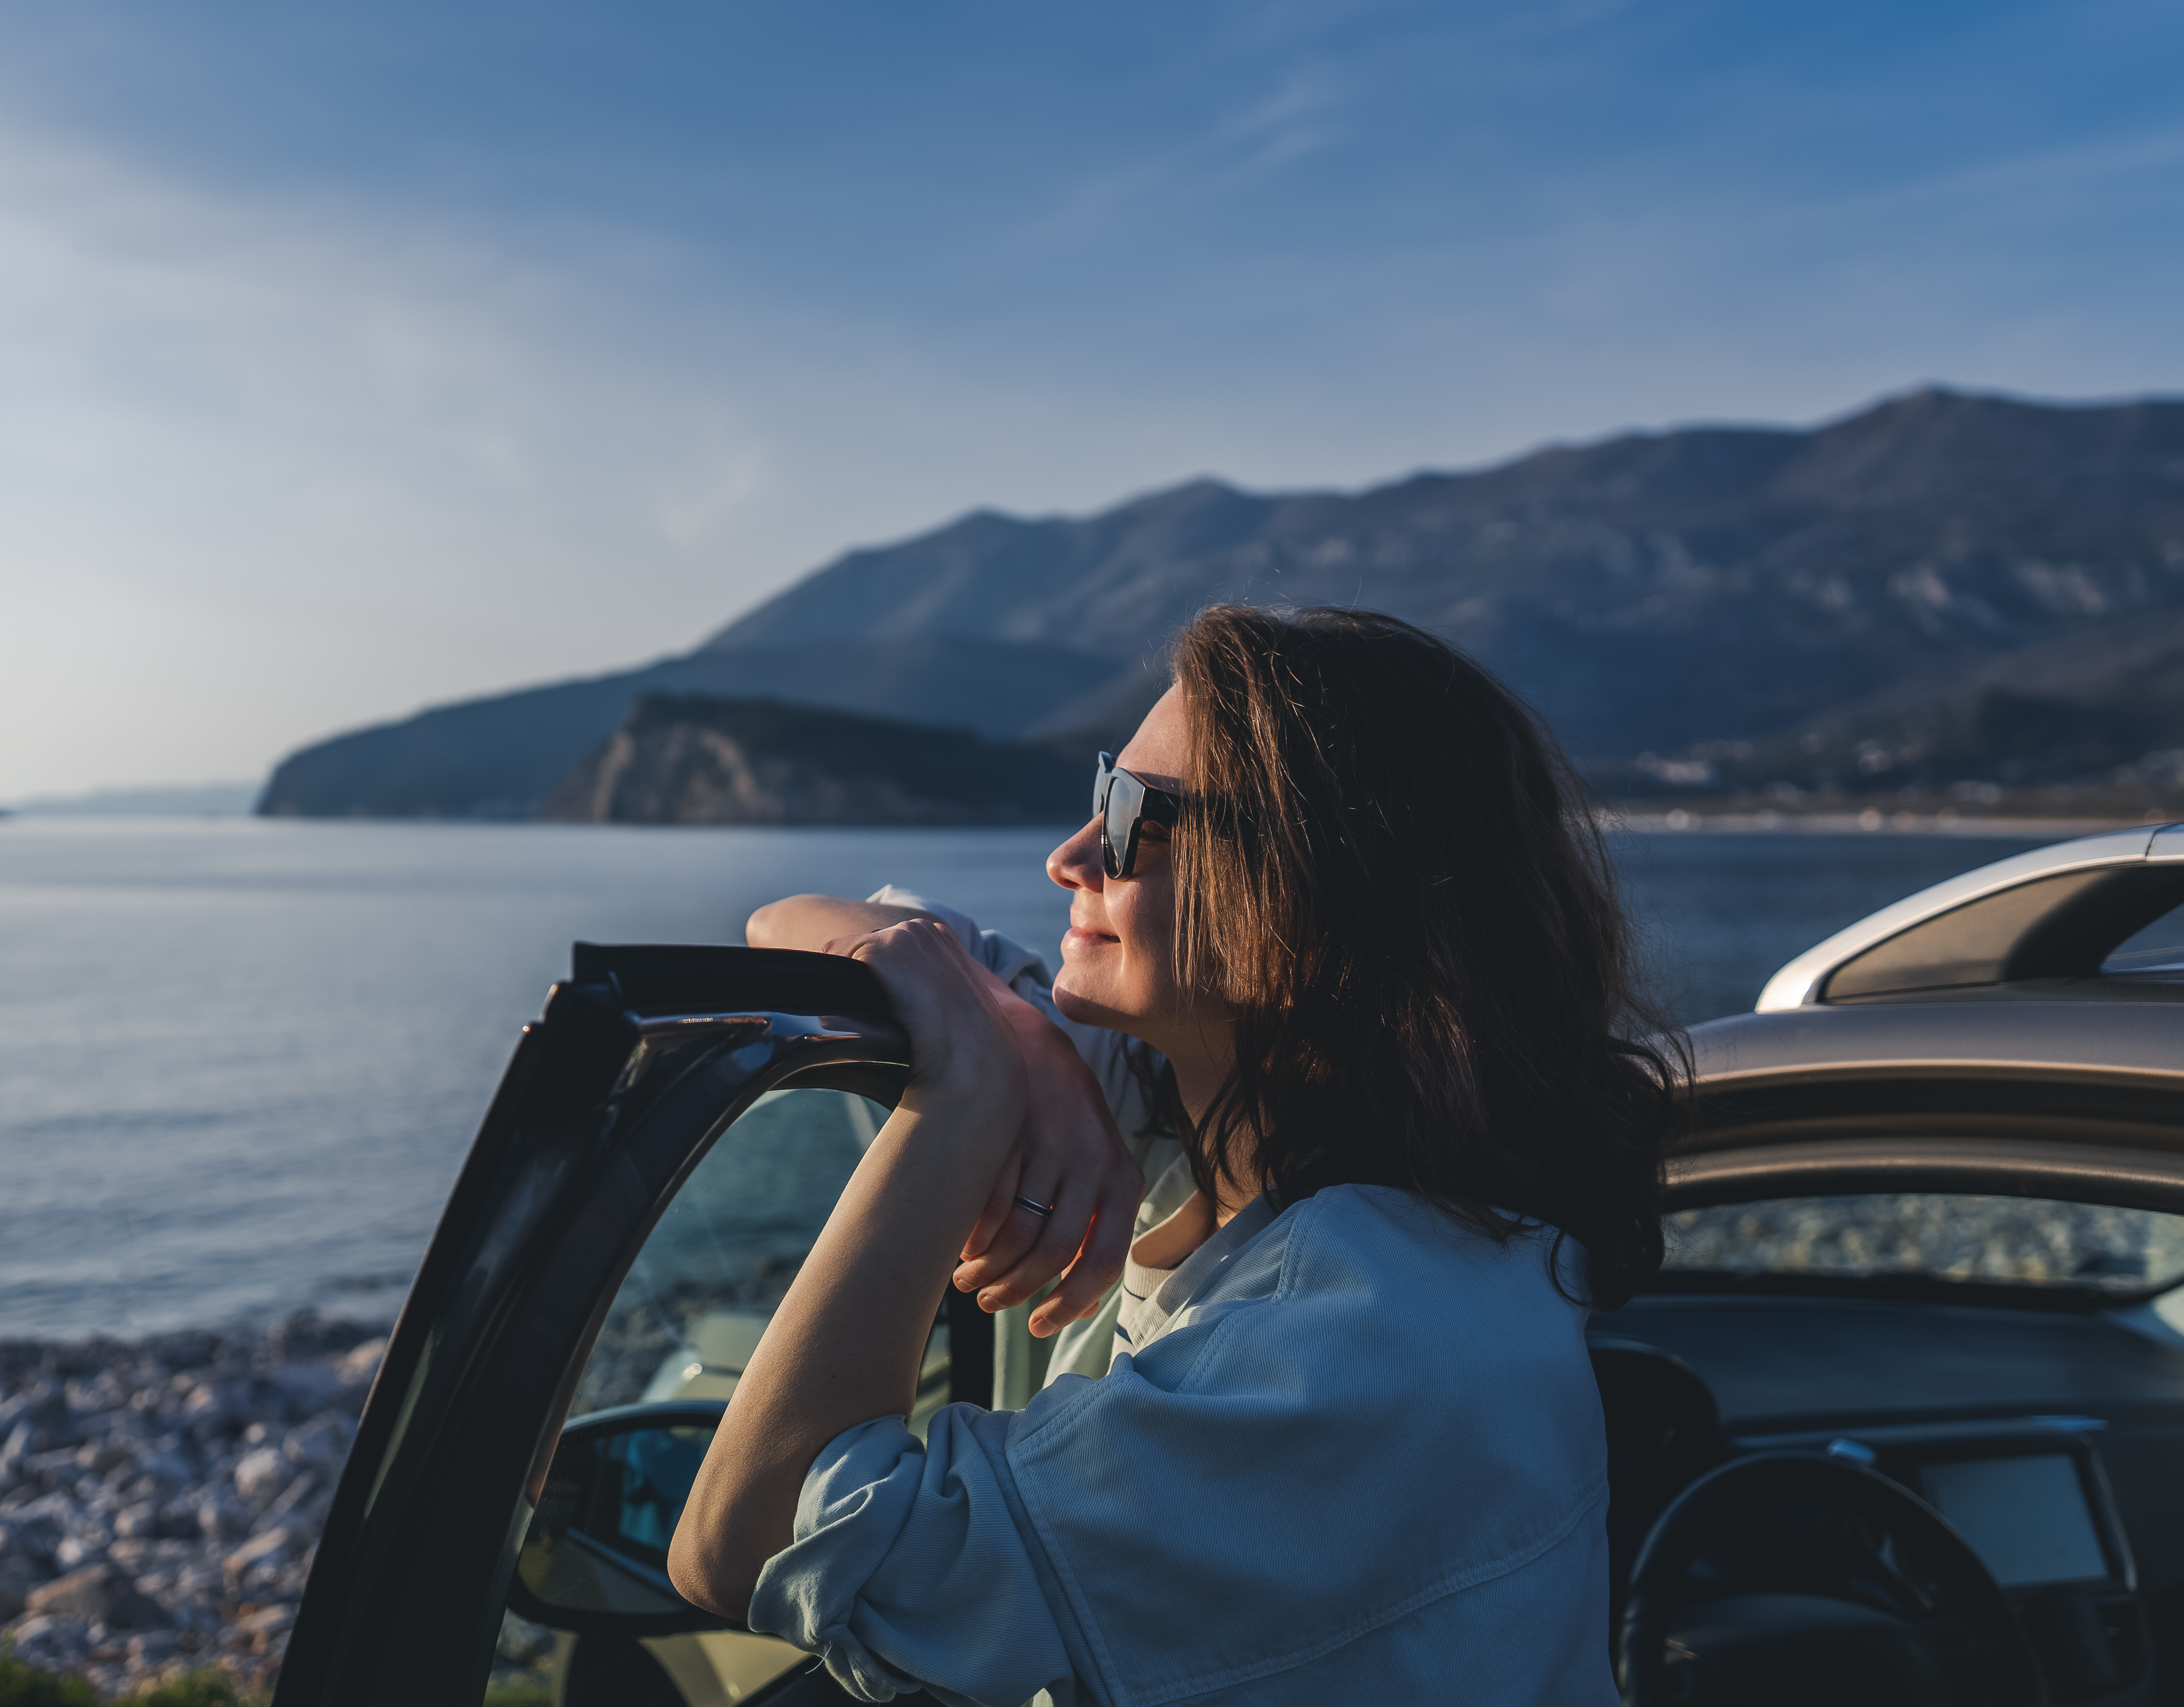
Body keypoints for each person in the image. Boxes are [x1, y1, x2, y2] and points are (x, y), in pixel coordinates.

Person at [665, 605, 1681, 1706]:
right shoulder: (1189, 1104)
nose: (1067, 857)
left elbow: (746, 1542)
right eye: (1104, 788)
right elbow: (789, 922)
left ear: (1315, 891)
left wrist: (963, 1100)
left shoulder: (1352, 1354)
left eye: (1130, 815)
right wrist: (1021, 1035)